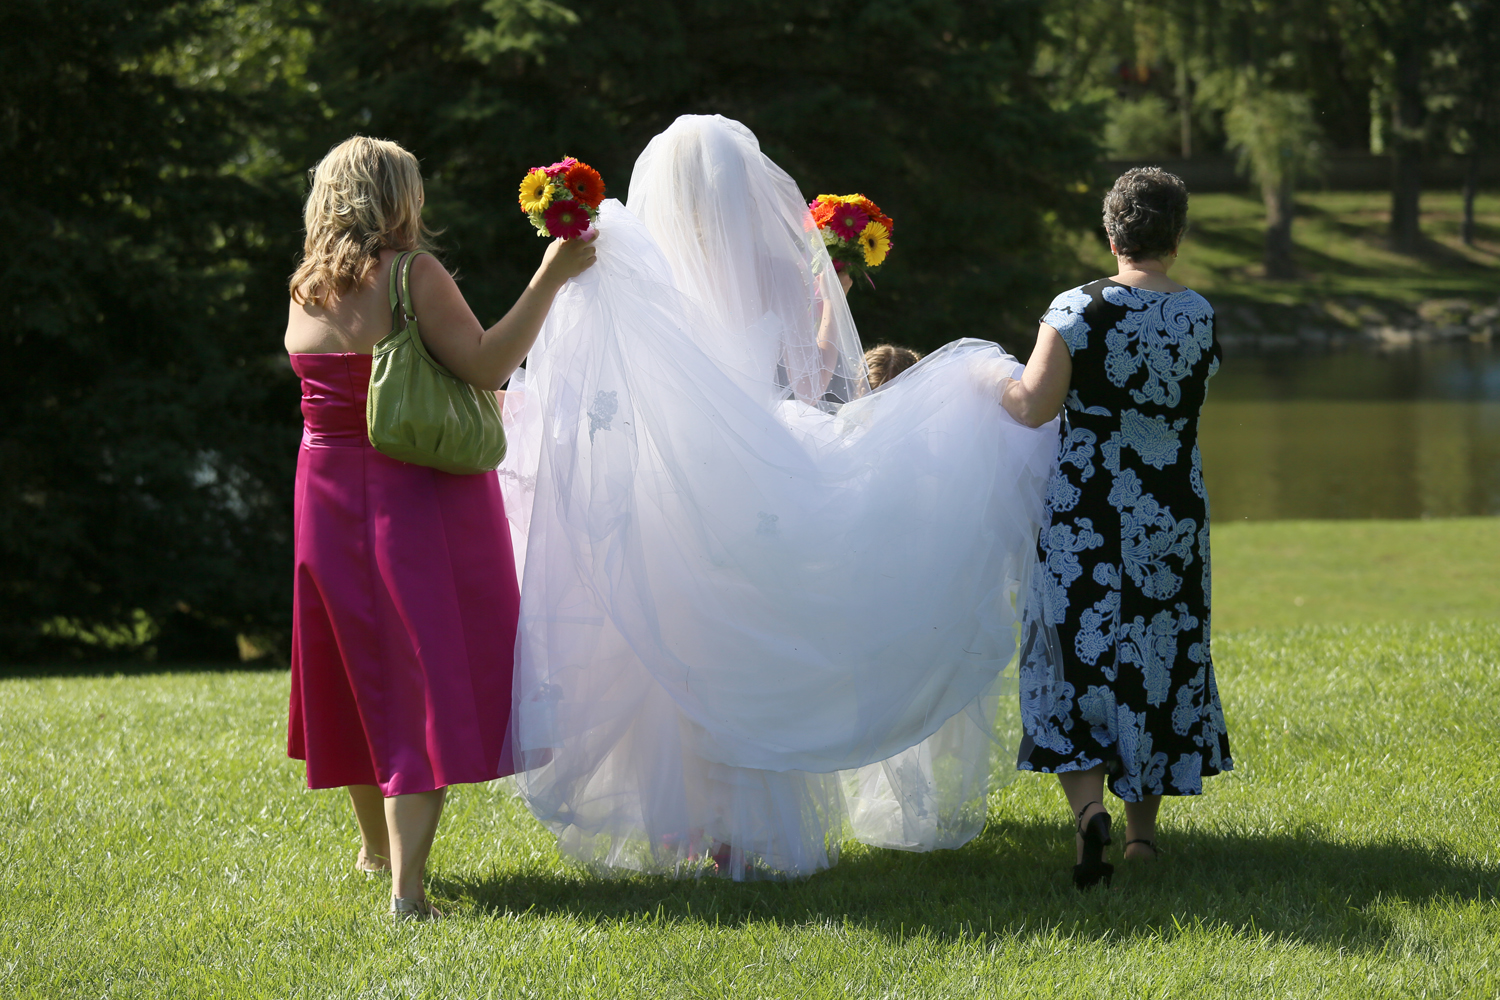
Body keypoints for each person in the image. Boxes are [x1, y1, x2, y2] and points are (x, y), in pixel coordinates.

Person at [497, 115, 1058, 879]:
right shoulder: (772, 268)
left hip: (667, 484)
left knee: (676, 648)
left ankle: (689, 824)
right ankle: (745, 832)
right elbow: (808, 378)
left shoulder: (635, 264)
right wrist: (833, 300)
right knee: (747, 650)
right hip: (755, 478)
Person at [283, 135, 594, 918]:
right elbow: (486, 364)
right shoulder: (412, 274)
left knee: (356, 677)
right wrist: (551, 276)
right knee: (423, 678)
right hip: (416, 492)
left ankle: (375, 853)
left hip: (325, 495)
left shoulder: (306, 287)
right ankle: (407, 895)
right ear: (397, 197)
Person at [998, 166, 1231, 890]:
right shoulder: (1199, 314)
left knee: (1074, 654)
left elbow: (1034, 406)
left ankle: (1088, 812)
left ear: (1111, 234)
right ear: (1177, 235)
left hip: (1087, 514)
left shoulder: (1076, 308)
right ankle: (1141, 840)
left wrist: (991, 383)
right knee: (1157, 658)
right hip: (1171, 513)